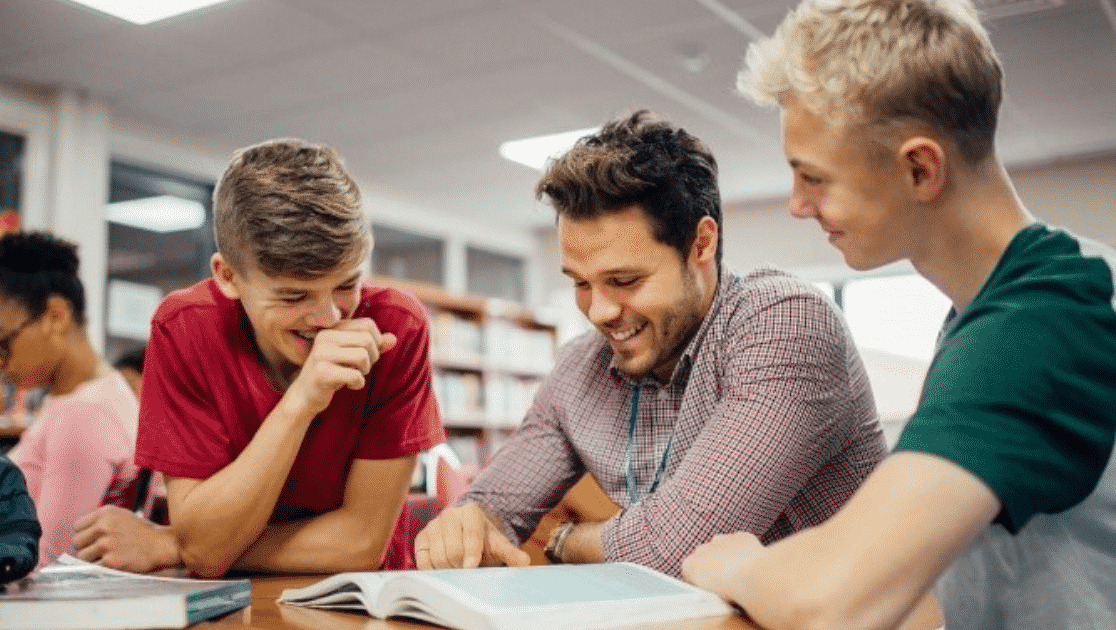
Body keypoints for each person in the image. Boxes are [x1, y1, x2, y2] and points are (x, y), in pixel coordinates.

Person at [681, 1, 1116, 628]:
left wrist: (737, 563)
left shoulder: (1040, 323)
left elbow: (827, 604)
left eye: (814, 178)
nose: (798, 205)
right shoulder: (993, 309)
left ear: (920, 168)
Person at [415, 110, 886, 577]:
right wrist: (465, 527)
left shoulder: (785, 322)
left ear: (701, 244)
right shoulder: (579, 369)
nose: (599, 312)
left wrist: (566, 540)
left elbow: (678, 548)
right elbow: (490, 507)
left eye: (624, 280)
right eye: (580, 283)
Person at [73, 138, 445, 577]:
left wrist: (177, 545)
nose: (328, 318)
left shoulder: (397, 327)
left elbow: (360, 545)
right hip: (225, 601)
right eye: (293, 296)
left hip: (358, 598)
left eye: (347, 285)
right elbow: (204, 547)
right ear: (228, 276)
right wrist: (301, 401)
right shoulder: (184, 328)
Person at [0, 231, 140, 568]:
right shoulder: (85, 397)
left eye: (1, 342)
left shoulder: (84, 413)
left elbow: (50, 560)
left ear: (55, 317)